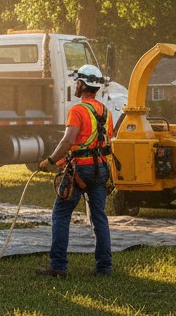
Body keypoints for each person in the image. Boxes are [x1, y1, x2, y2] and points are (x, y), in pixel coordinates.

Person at [36, 64, 115, 278]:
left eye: (77, 82)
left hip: (81, 169)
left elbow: (68, 140)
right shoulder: (106, 112)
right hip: (101, 169)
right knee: (99, 217)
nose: (75, 85)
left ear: (81, 84)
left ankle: (58, 266)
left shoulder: (78, 110)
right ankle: (104, 268)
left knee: (61, 213)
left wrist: (51, 160)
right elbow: (103, 141)